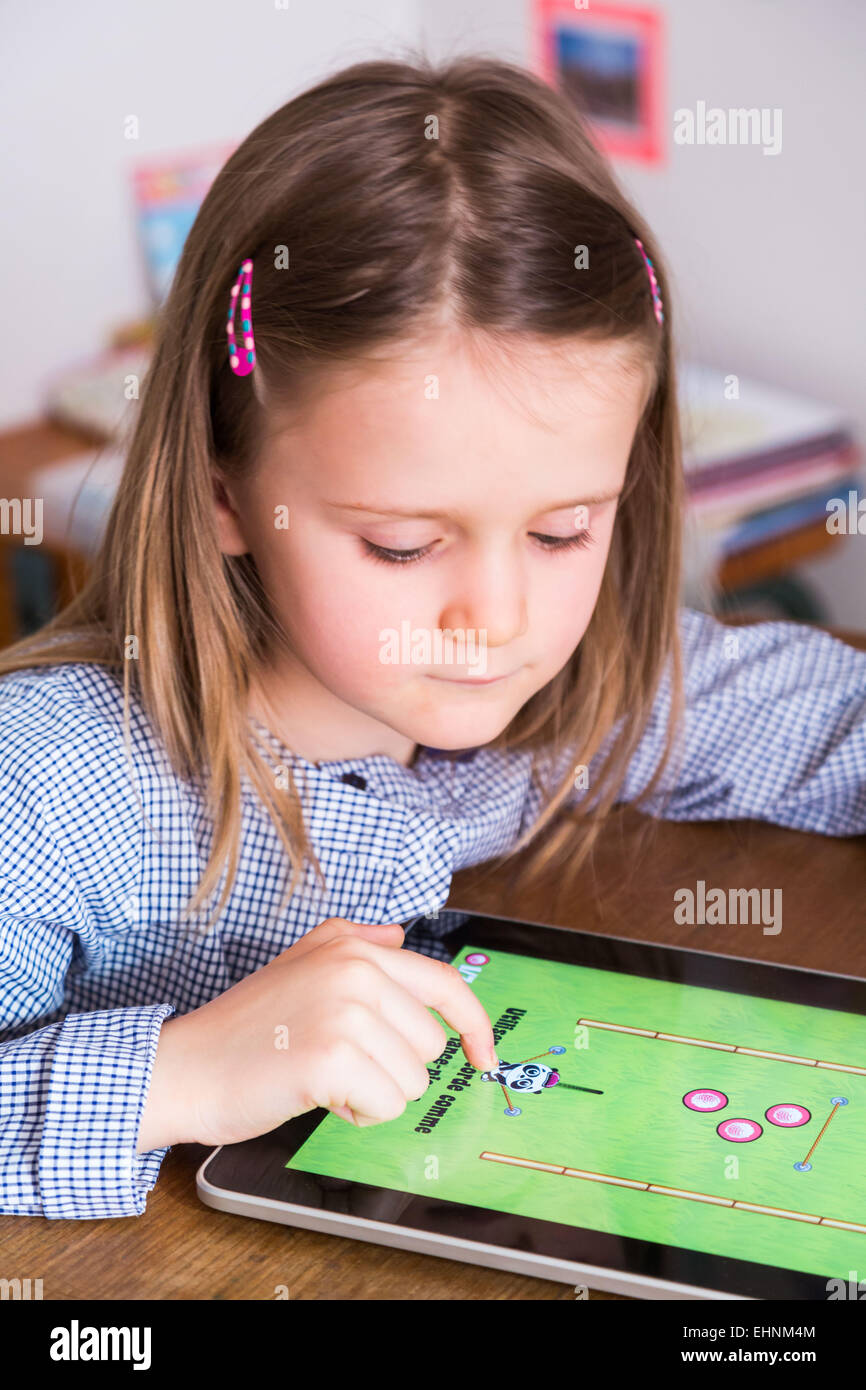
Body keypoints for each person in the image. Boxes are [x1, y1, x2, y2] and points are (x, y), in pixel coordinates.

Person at [1, 56, 863, 1220]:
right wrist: (181, 1074)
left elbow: (822, 714)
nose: (496, 619)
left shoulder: (586, 686)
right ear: (224, 493)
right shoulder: (51, 789)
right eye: (403, 546)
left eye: (563, 530)